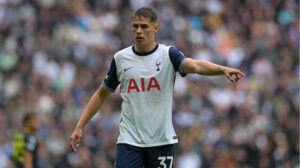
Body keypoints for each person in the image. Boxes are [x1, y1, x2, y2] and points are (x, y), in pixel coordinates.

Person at [70, 6, 245, 168]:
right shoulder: (120, 58)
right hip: (129, 141)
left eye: (144, 26)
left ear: (155, 28)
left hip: (161, 141)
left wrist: (221, 69)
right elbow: (102, 94)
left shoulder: (168, 55)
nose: (139, 31)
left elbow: (196, 66)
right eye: (136, 26)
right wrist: (80, 125)